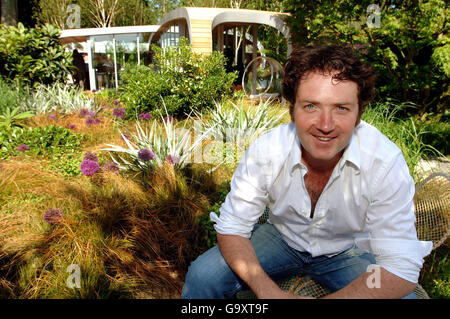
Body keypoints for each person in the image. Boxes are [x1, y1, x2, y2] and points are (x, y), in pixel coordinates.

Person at [181, 44, 433, 299]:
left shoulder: (384, 161)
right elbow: (233, 227)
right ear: (292, 110)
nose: (325, 125)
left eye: (341, 108)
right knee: (203, 277)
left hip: (349, 250)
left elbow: (400, 267)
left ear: (358, 115)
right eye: (311, 106)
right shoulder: (267, 150)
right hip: (282, 239)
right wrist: (270, 293)